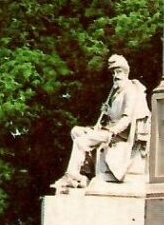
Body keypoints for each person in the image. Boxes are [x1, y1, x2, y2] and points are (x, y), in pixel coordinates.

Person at [53, 54, 151, 192]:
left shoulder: (130, 90)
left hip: (117, 134)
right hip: (106, 130)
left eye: (119, 72)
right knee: (76, 131)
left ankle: (73, 175)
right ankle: (84, 171)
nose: (115, 76)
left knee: (82, 141)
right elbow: (111, 117)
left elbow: (126, 119)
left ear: (126, 72)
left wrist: (112, 131)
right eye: (113, 72)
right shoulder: (116, 93)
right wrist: (106, 112)